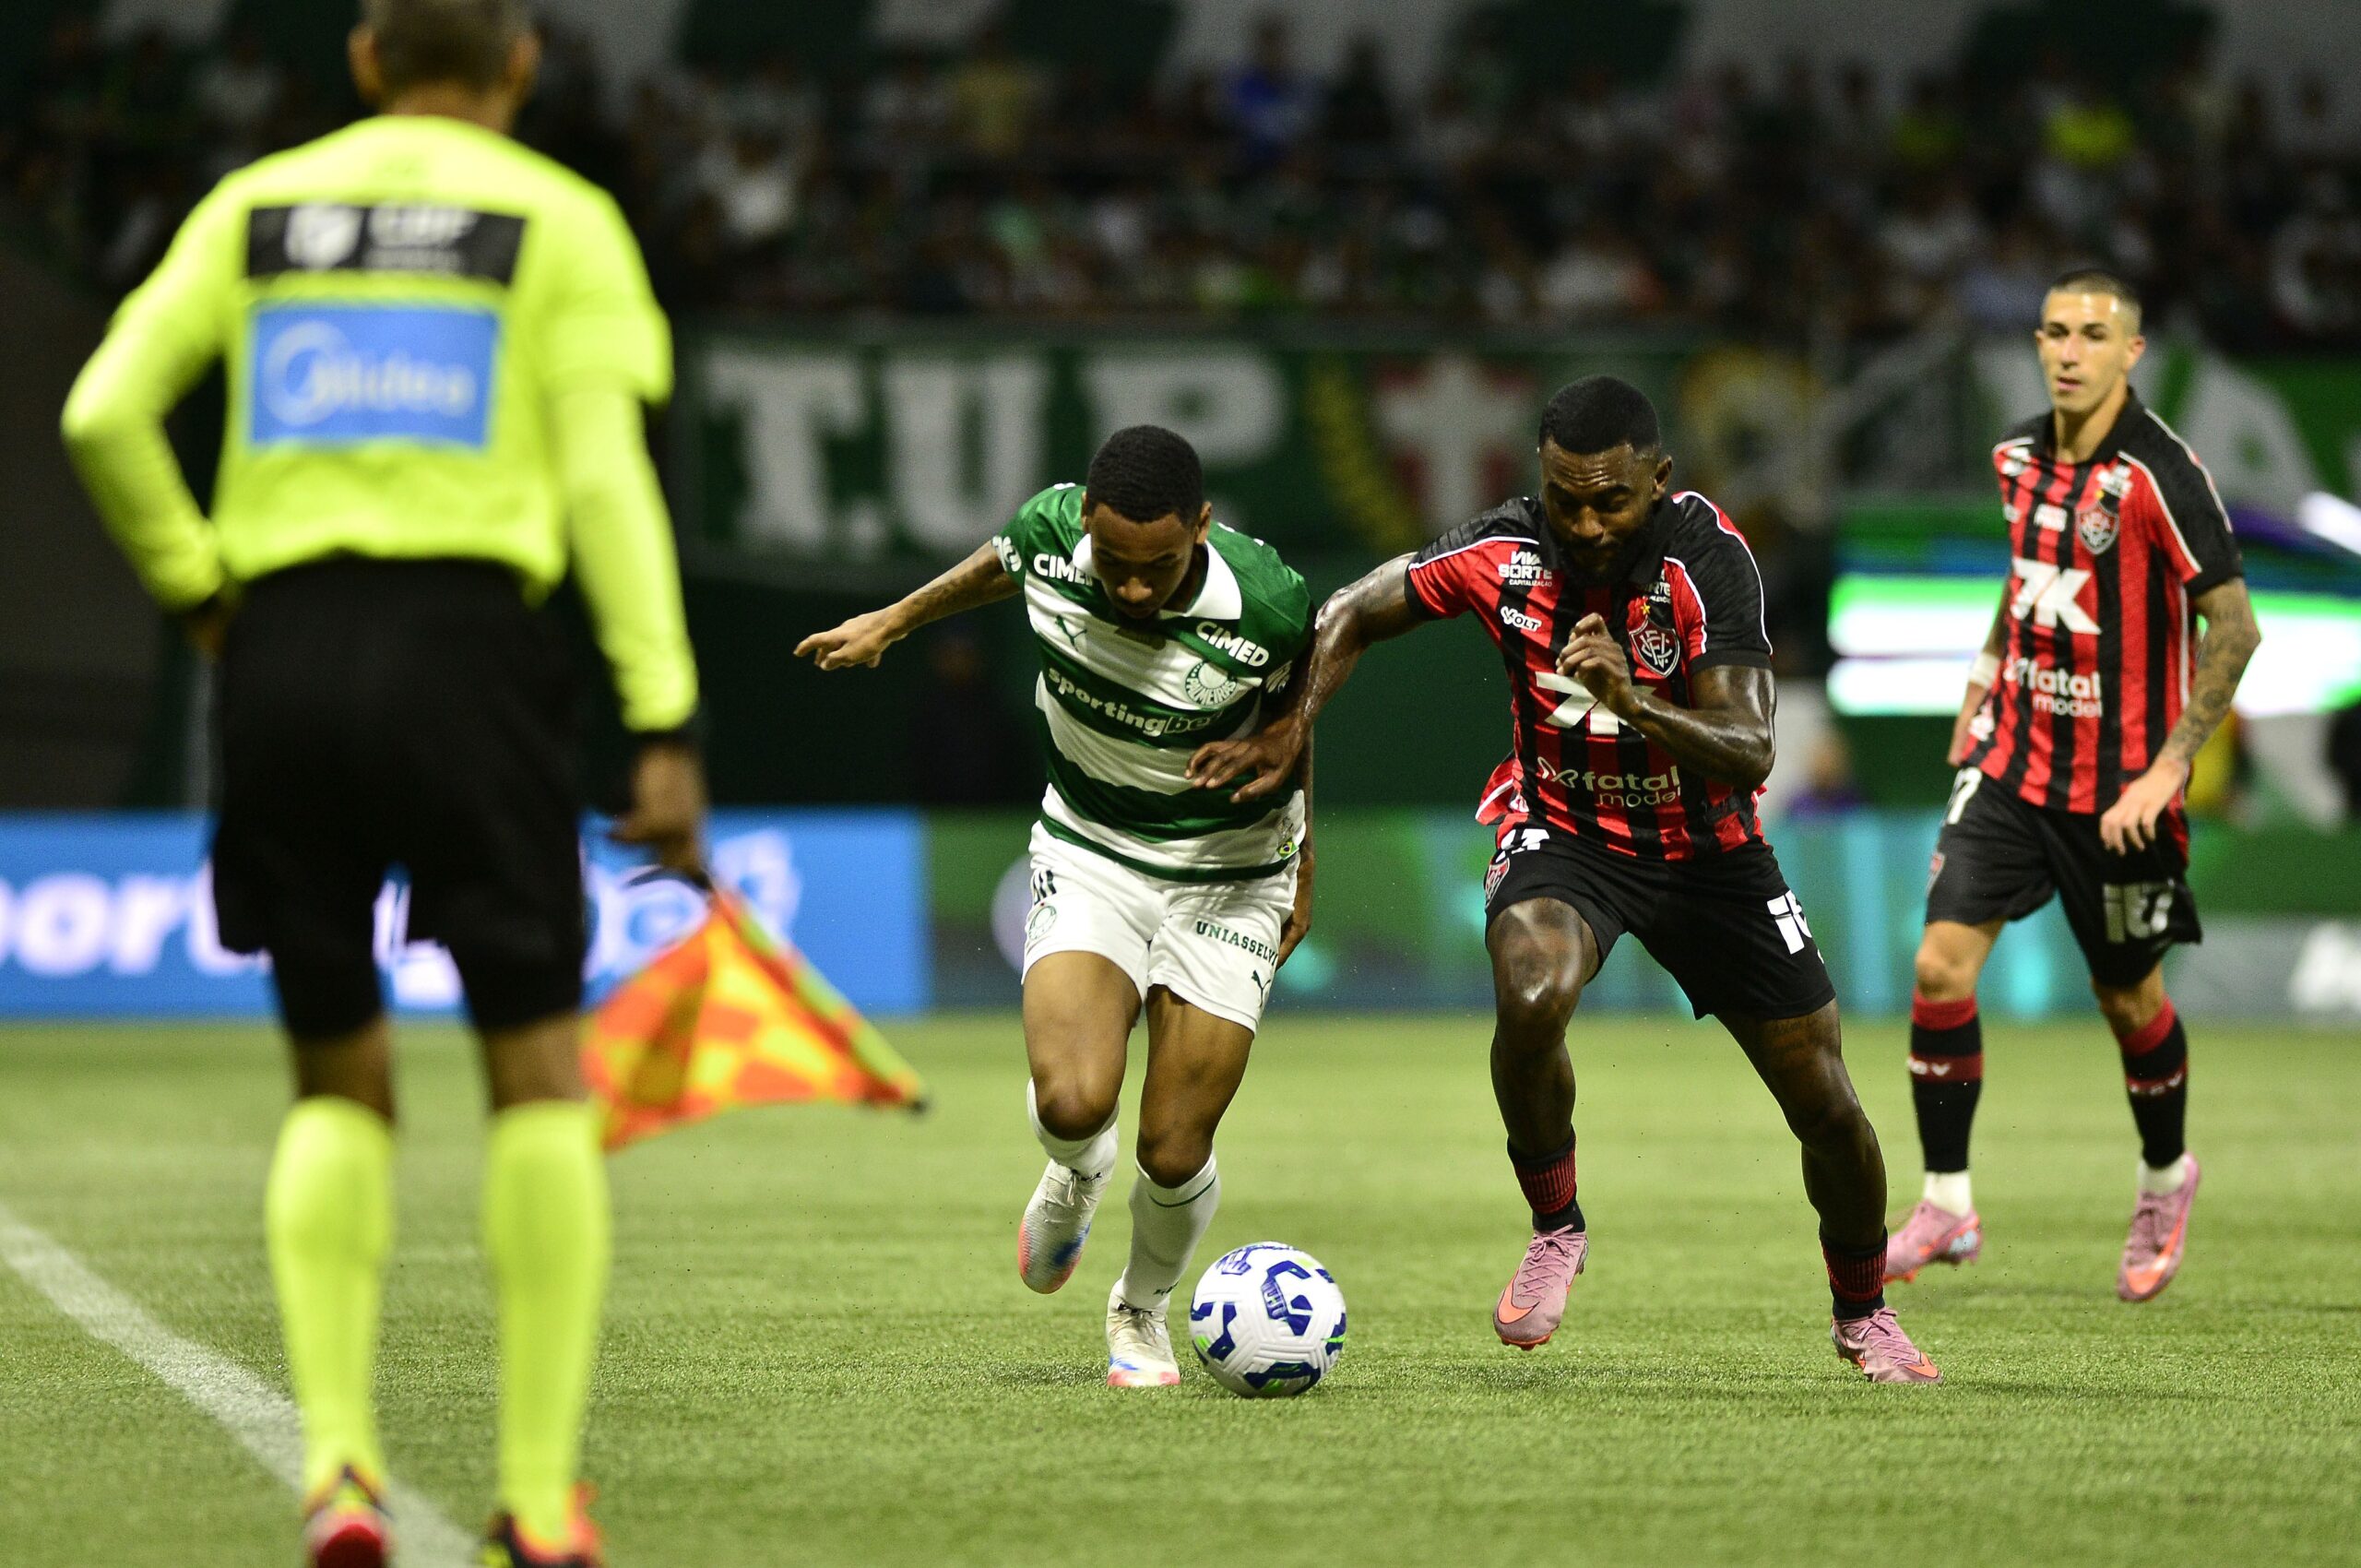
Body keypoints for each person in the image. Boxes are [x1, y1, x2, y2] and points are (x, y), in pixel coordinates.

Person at [58, 3, 706, 1563]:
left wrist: (199, 590)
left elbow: (101, 412)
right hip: (472, 657)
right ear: (521, 64)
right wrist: (665, 712)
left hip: (281, 654)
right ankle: (538, 1503)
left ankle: (338, 1470)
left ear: (364, 60)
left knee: (335, 1079)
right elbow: (605, 478)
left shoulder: (256, 207)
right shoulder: (558, 219)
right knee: (536, 1075)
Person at [1192, 376, 1940, 1384]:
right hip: (1566, 831)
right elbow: (1352, 609)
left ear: (1658, 480)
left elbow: (1751, 746)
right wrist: (1292, 722)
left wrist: (1634, 699)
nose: (1584, 524)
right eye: (1564, 498)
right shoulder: (1503, 551)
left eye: (1610, 501)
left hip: (1711, 854)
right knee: (1532, 992)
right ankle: (1557, 1225)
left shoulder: (1709, 558)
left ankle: (1863, 1313)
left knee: (1827, 1104)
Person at [798, 426, 1312, 1388]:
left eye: (1158, 567)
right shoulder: (1049, 533)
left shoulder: (1271, 604)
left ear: (1202, 527)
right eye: (1114, 562)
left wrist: (1303, 863)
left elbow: (1294, 725)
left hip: (1230, 867)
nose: (1132, 589)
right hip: (1091, 848)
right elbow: (1000, 565)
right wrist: (895, 620)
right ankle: (1076, 1169)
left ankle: (1141, 1308)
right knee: (1073, 1104)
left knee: (1174, 1147)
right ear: (1083, 523)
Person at [1889, 269, 2260, 1302]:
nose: (2068, 351)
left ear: (2131, 352)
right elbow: (2026, 584)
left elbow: (2234, 628)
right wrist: (1981, 679)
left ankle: (2164, 1176)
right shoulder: (2015, 456)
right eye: (2054, 331)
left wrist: (2169, 769)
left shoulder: (2161, 474)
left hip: (2121, 790)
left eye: (2093, 335)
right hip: (2014, 762)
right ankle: (1947, 1202)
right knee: (1939, 967)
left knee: (2127, 997)